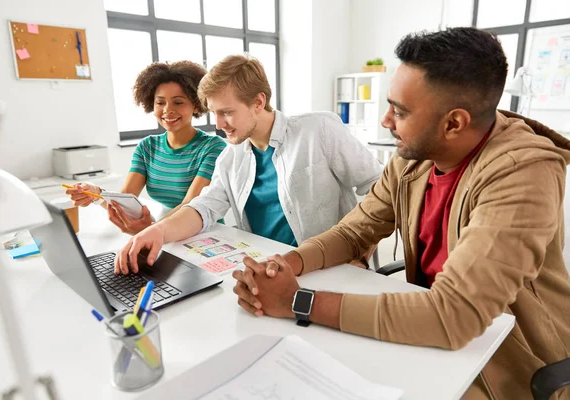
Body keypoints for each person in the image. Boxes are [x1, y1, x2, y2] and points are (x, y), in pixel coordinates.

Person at [232, 28, 570, 400]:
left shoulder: (523, 173)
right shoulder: (413, 159)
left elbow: (452, 316)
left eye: (401, 111)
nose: (386, 121)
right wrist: (285, 265)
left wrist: (298, 301)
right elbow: (352, 234)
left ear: (454, 123)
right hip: (422, 334)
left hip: (505, 359)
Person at [114, 54, 383, 274]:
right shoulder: (230, 158)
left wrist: (360, 256)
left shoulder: (318, 130)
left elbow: (381, 190)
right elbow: (203, 208)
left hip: (329, 268)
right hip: (269, 271)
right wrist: (158, 231)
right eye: (215, 113)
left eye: (226, 112)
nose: (218, 125)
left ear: (258, 102)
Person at [66, 61, 226, 235]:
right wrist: (95, 194)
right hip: (162, 231)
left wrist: (150, 231)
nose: (168, 110)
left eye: (178, 102)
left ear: (196, 104)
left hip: (205, 233)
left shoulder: (213, 147)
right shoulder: (147, 147)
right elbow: (125, 199)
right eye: (160, 102)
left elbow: (190, 204)